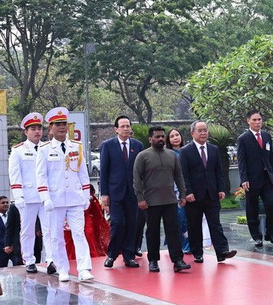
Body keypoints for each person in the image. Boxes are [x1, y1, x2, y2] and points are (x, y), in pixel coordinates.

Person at [35, 107, 95, 282]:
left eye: (64, 124)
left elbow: (83, 173)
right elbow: (41, 176)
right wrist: (45, 198)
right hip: (55, 199)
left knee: (79, 233)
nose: (62, 127)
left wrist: (86, 195)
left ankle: (84, 268)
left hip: (75, 198)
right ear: (50, 128)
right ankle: (62, 268)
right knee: (56, 236)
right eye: (57, 124)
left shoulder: (76, 146)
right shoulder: (44, 149)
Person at [133, 126, 190, 273]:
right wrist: (140, 198)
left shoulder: (171, 155)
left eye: (162, 136)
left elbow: (179, 176)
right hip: (151, 202)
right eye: (157, 137)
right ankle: (153, 260)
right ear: (150, 139)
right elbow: (137, 178)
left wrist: (182, 195)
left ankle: (178, 260)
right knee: (152, 231)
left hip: (170, 200)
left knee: (173, 231)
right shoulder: (142, 156)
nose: (160, 139)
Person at [180, 120, 237, 263]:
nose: (203, 133)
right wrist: (187, 192)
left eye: (205, 130)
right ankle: (197, 252)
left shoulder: (213, 149)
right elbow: (183, 175)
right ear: (192, 133)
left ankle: (222, 251)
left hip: (212, 194)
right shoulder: (185, 151)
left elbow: (219, 171)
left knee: (215, 224)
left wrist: (221, 188)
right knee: (194, 225)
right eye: (200, 130)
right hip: (194, 195)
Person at [8, 111, 56, 274]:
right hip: (27, 196)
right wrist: (18, 195)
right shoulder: (18, 150)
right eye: (33, 128)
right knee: (27, 230)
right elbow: (15, 174)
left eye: (39, 128)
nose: (37, 131)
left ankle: (51, 260)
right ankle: (29, 260)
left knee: (49, 229)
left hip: (46, 197)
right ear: (26, 131)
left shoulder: (48, 148)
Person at [100, 115, 143, 269]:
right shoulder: (108, 145)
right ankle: (112, 255)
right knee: (118, 223)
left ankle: (129, 256)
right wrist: (104, 194)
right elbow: (103, 171)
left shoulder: (138, 146)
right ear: (116, 129)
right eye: (122, 126)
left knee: (132, 224)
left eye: (128, 126)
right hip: (115, 192)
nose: (126, 129)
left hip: (133, 193)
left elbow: (141, 171)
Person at [237, 110, 273, 247]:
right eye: (254, 120)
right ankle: (256, 236)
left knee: (271, 206)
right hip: (252, 179)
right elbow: (241, 162)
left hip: (267, 178)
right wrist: (244, 179)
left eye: (259, 119)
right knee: (252, 208)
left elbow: (270, 158)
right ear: (248, 121)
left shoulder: (267, 136)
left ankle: (271, 234)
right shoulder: (243, 139)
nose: (257, 122)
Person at [165, 127, 191, 256]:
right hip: (174, 191)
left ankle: (189, 245)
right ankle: (176, 245)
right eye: (172, 136)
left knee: (189, 219)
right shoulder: (167, 154)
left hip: (189, 189)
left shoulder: (187, 152)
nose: (176, 138)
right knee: (179, 219)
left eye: (177, 135)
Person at [0, 196, 22, 267]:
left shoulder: (13, 216)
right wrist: (5, 246)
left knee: (19, 268)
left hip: (13, 249)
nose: (5, 204)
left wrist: (11, 246)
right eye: (3, 203)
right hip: (1, 250)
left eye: (7, 202)